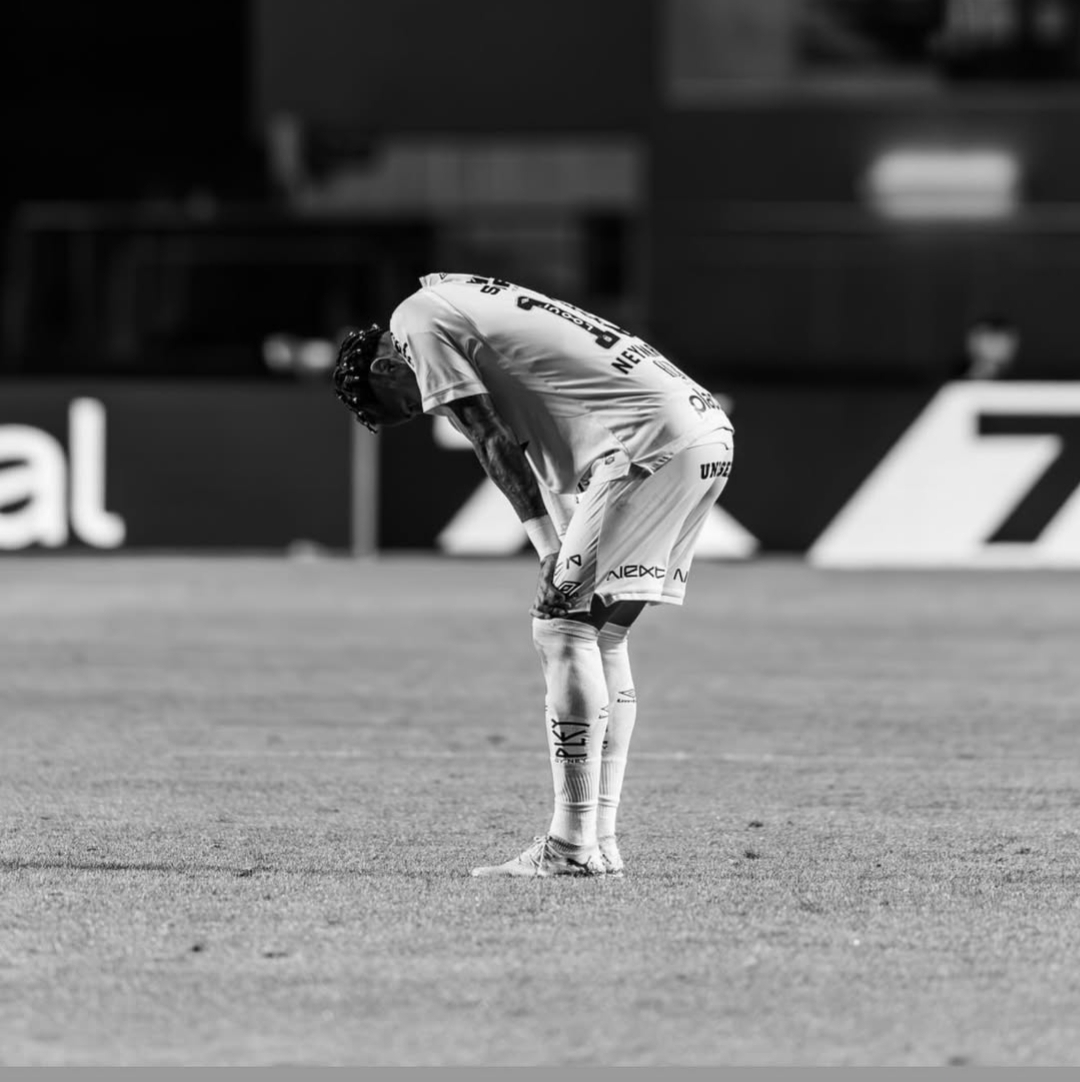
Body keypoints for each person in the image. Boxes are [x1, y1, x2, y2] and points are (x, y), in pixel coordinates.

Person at [332, 273, 734, 878]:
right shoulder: (461, 297)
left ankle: (570, 847)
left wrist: (549, 551)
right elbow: (536, 426)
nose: (427, 409)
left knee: (560, 628)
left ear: (389, 369)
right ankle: (599, 840)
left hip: (644, 443)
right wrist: (562, 543)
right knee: (604, 635)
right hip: (702, 433)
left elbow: (486, 434)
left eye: (410, 405)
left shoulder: (415, 320)